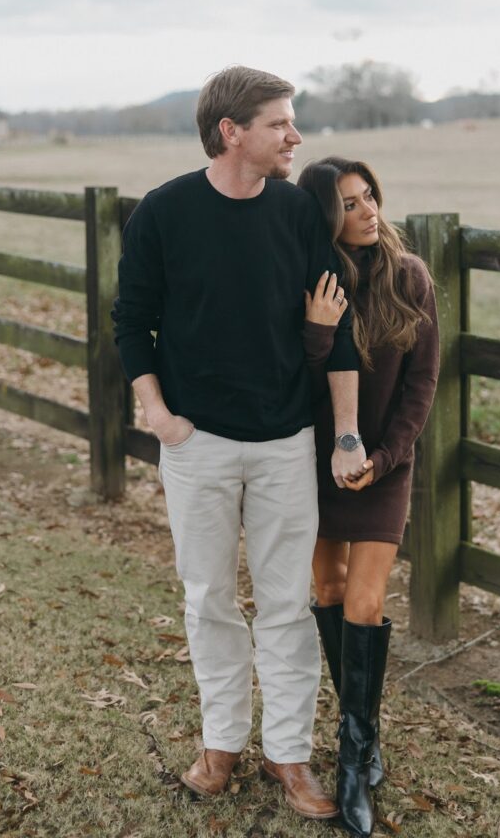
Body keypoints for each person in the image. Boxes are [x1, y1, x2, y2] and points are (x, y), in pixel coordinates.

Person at [111, 68, 368, 822]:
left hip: (285, 439)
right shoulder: (163, 213)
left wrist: (343, 435)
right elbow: (132, 321)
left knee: (286, 605)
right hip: (196, 443)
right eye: (280, 123)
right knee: (210, 599)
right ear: (232, 132)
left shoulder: (295, 214)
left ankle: (288, 755)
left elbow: (339, 329)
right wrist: (158, 414)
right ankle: (220, 742)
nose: (295, 136)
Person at [298, 156, 440, 838]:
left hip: (385, 464)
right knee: (325, 588)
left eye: (369, 197)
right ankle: (363, 727)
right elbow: (291, 376)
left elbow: (421, 384)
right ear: (326, 217)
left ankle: (353, 760)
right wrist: (319, 329)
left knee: (364, 598)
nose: (367, 211)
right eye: (350, 204)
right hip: (314, 464)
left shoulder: (409, 276)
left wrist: (383, 461)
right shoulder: (312, 280)